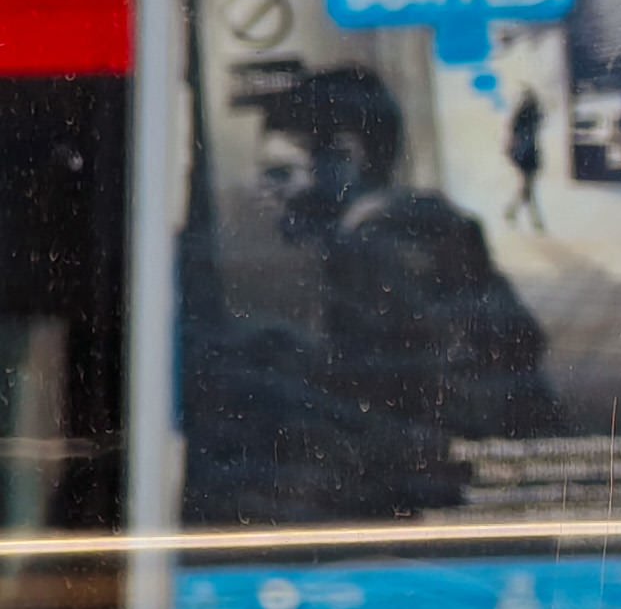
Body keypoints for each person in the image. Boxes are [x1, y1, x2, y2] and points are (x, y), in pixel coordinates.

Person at [180, 63, 566, 526]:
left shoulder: (373, 253)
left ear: (347, 158)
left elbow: (392, 414)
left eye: (281, 173)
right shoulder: (429, 232)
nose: (263, 190)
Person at [502, 85, 548, 231]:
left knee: (527, 187)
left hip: (525, 153)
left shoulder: (524, 114)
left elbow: (515, 131)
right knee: (528, 187)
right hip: (527, 154)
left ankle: (512, 212)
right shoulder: (529, 114)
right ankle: (535, 221)